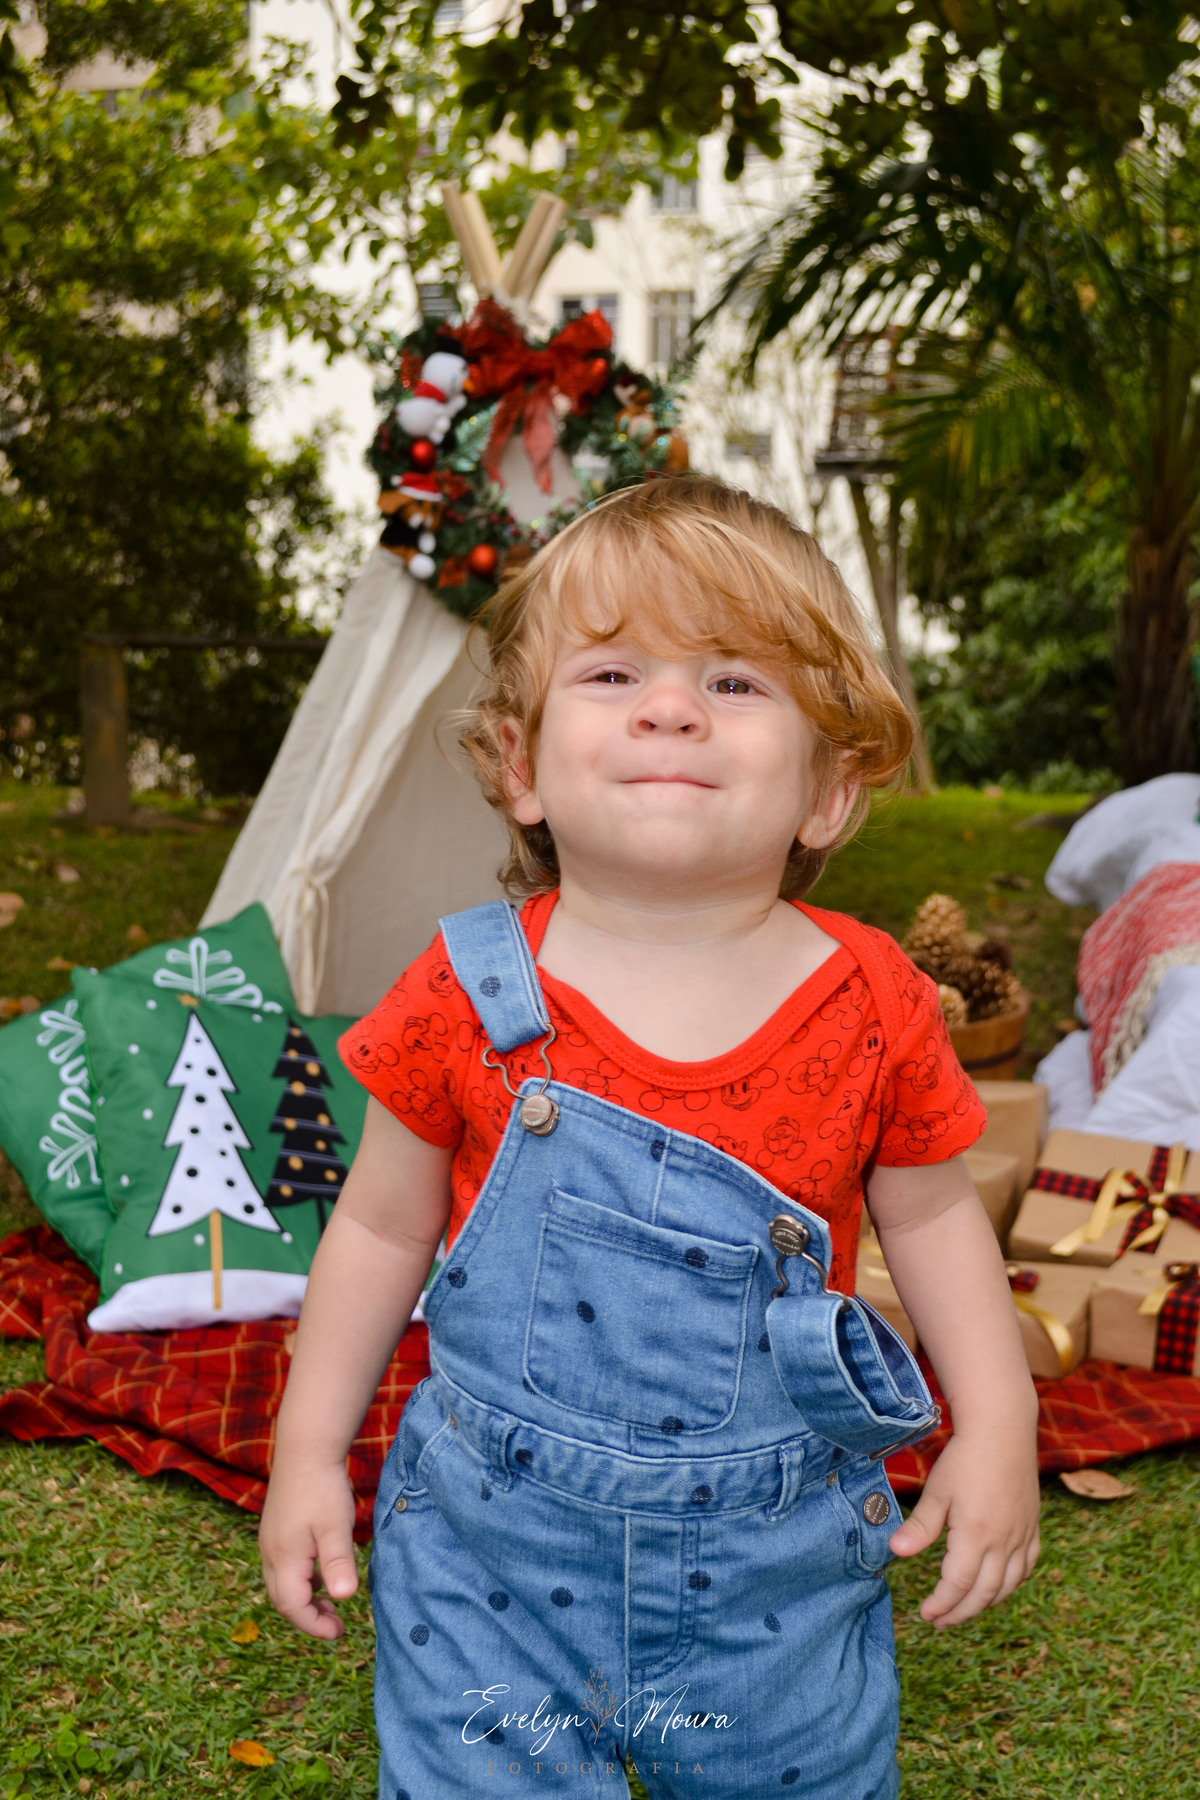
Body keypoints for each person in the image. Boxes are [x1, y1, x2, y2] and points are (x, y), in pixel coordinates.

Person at [259, 475, 1040, 1799]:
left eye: (737, 683)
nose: (671, 707)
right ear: (521, 765)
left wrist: (1001, 1417)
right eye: (614, 672)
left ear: (830, 789)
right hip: (492, 1570)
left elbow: (932, 1216)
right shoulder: (462, 991)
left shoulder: (876, 1002)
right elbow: (384, 1228)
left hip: (773, 1596)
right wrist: (303, 1451)